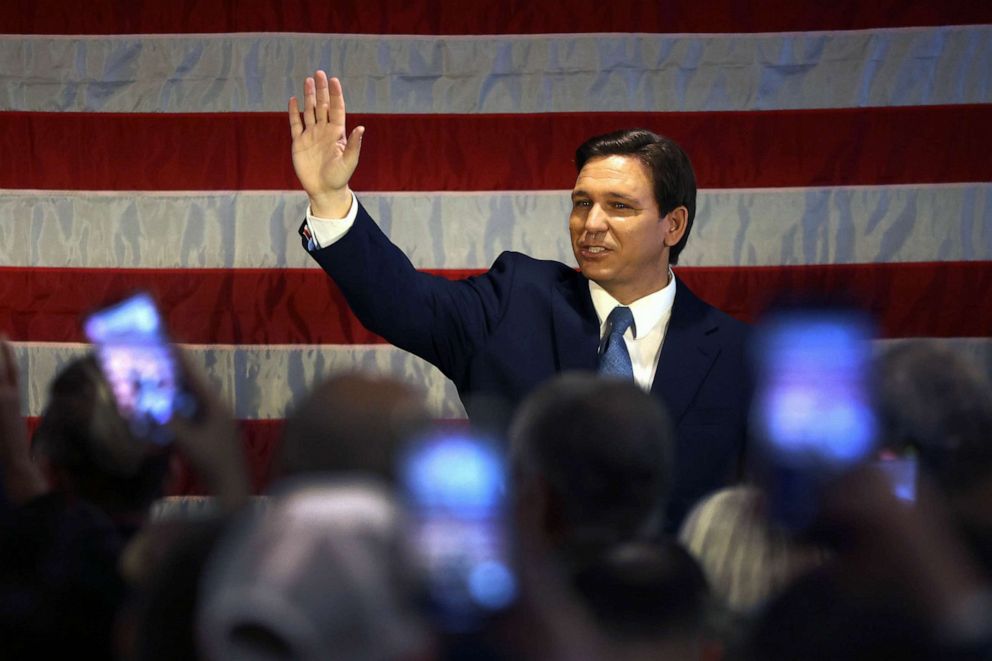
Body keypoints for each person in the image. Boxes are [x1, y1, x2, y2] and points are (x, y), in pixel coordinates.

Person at [289, 71, 751, 526]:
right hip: (531, 591)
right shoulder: (514, 301)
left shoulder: (740, 355)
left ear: (673, 224)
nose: (590, 224)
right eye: (582, 202)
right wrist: (331, 198)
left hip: (676, 593)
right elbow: (403, 302)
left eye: (620, 206)